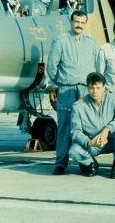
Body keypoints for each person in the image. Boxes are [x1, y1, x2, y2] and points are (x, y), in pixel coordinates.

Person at [46, 10, 98, 175]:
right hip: (67, 89)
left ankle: (85, 161)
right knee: (64, 127)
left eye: (83, 22)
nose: (79, 25)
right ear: (71, 21)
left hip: (85, 90)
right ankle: (60, 163)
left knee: (85, 127)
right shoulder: (60, 41)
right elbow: (51, 67)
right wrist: (57, 84)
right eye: (76, 21)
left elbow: (97, 67)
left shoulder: (91, 43)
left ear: (86, 23)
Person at [69, 72, 115, 178]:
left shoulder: (112, 98)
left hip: (111, 141)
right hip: (93, 144)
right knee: (74, 150)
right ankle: (90, 163)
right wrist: (89, 142)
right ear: (87, 88)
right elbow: (75, 131)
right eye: (92, 88)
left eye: (98, 87)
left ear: (104, 87)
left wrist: (107, 129)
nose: (95, 91)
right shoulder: (78, 106)